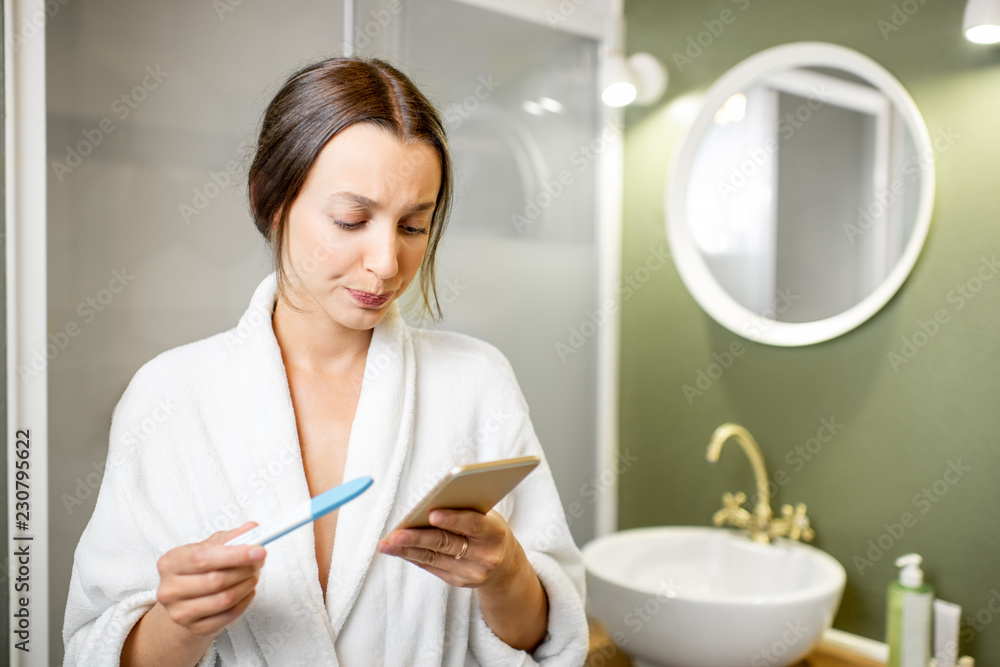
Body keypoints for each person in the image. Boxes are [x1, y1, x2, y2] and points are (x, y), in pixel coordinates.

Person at [62, 56, 589, 666]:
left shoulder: (477, 384)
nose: (387, 262)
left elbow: (550, 638)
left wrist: (507, 576)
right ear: (271, 198)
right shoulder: (169, 397)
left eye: (414, 226)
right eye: (351, 220)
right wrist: (179, 623)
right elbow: (93, 648)